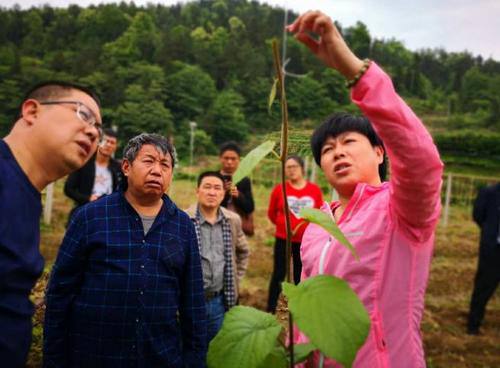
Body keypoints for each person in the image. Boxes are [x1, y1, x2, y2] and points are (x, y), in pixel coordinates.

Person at [287, 11, 443, 367]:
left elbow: (421, 161)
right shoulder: (317, 226)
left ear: (379, 151)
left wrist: (355, 73)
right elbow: (310, 302)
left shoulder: (400, 209)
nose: (337, 151)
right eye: (327, 149)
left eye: (348, 142)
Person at [43, 133, 207, 367]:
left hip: (160, 356)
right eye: (149, 161)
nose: (157, 170)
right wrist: (54, 359)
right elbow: (60, 293)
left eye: (165, 165)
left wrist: (194, 360)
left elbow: (193, 302)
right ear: (127, 167)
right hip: (93, 355)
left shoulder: (182, 226)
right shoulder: (90, 217)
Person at [0, 81, 102, 367]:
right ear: (32, 111)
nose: (93, 132)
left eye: (99, 129)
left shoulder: (26, 195)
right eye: (83, 114)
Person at [185, 171, 250, 342]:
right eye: (207, 187)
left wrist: (237, 277)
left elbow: (243, 251)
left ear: (223, 193)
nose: (212, 192)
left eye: (217, 188)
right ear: (197, 190)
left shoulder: (232, 220)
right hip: (188, 300)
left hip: (219, 300)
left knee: (215, 349)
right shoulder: (184, 219)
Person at [266, 155, 323, 313]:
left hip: (305, 241)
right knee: (279, 273)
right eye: (288, 167)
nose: (291, 170)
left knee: (300, 273)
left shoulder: (314, 190)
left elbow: (318, 213)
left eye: (294, 167)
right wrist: (281, 225)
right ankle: (271, 308)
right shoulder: (280, 189)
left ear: (302, 169)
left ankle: (298, 309)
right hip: (283, 239)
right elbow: (271, 213)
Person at [64, 128, 122, 221]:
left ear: (116, 147)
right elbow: (68, 189)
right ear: (99, 142)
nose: (108, 145)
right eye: (106, 141)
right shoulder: (84, 163)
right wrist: (87, 198)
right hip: (84, 213)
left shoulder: (118, 168)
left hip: (108, 216)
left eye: (112, 142)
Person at [467, 182, 500, 335]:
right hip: (493, 249)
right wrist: (490, 232)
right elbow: (478, 215)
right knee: (483, 286)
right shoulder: (490, 192)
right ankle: (473, 324)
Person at [219, 141, 255, 236]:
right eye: (226, 158)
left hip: (239, 228)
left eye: (233, 159)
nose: (229, 162)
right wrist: (224, 193)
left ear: (239, 160)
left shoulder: (244, 180)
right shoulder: (214, 178)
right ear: (220, 159)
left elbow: (250, 208)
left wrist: (238, 195)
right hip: (217, 225)